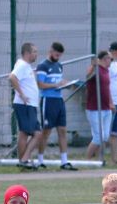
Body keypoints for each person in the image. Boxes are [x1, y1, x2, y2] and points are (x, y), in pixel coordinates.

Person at [37, 42, 78, 171]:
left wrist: (66, 84)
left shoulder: (59, 66)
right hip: (48, 100)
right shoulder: (43, 66)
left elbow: (58, 82)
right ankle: (40, 161)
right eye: (56, 55)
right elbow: (40, 84)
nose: (58, 57)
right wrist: (56, 85)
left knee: (62, 130)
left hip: (59, 100)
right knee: (46, 131)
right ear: (51, 51)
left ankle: (64, 161)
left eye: (60, 55)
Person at [9, 42, 41, 170]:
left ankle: (23, 161)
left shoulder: (26, 66)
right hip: (24, 105)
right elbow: (12, 77)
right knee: (32, 134)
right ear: (27, 53)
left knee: (29, 133)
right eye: (34, 52)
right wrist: (21, 94)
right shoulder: (22, 65)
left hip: (29, 105)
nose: (36, 54)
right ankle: (24, 160)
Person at [84, 50, 113, 162]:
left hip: (106, 108)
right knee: (98, 137)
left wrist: (111, 102)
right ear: (105, 59)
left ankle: (98, 160)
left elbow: (107, 89)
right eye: (110, 59)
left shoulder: (106, 71)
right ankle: (87, 160)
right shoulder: (96, 69)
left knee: (104, 136)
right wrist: (93, 65)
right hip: (94, 108)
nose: (111, 61)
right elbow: (88, 76)